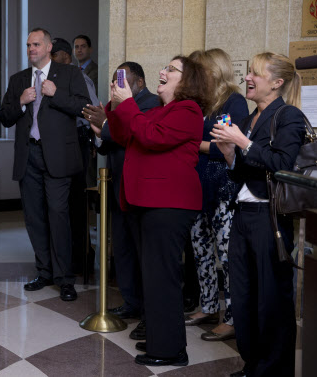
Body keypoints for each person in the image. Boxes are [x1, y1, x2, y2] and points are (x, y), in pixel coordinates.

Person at [105, 56, 212, 366]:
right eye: (164, 67)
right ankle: (163, 341)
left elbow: (151, 137)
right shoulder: (164, 110)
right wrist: (116, 105)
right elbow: (125, 135)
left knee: (162, 278)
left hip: (169, 204)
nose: (162, 72)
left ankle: (169, 351)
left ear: (188, 81)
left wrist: (127, 105)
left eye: (171, 69)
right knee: (153, 277)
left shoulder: (188, 110)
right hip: (148, 202)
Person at [210, 52, 305, 377]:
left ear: (277, 83)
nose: (248, 78)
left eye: (256, 74)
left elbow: (281, 165)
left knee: (271, 300)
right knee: (244, 295)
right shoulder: (251, 117)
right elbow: (242, 174)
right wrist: (230, 155)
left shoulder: (288, 115)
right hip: (244, 215)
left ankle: (273, 370)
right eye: (248, 72)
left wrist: (242, 143)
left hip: (270, 219)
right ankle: (252, 365)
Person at [0, 28, 91, 301]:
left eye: (36, 44)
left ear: (49, 47)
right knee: (34, 217)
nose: (31, 49)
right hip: (29, 156)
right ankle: (44, 271)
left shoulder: (70, 74)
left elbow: (84, 107)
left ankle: (65, 278)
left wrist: (55, 94)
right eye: (28, 45)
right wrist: (20, 101)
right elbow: (4, 117)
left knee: (58, 215)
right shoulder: (18, 80)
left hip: (58, 158)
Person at [84, 62, 159, 340]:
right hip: (117, 185)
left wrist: (105, 126)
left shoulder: (151, 104)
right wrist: (99, 131)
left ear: (138, 82)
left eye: (122, 81)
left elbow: (134, 136)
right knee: (123, 246)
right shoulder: (117, 107)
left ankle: (147, 309)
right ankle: (130, 301)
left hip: (139, 187)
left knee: (140, 248)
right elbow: (109, 142)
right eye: (115, 81)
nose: (116, 87)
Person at [184, 48, 249, 342]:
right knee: (201, 251)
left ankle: (233, 317)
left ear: (216, 71)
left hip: (223, 186)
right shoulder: (200, 102)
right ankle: (208, 306)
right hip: (197, 187)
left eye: (202, 71)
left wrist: (191, 143)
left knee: (227, 255)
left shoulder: (234, 102)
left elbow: (228, 145)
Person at [50, 37, 99, 274]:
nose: (50, 61)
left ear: (65, 57)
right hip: (58, 143)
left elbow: (91, 110)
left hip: (78, 140)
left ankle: (81, 259)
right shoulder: (53, 77)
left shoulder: (79, 77)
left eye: (54, 55)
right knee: (62, 205)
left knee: (77, 203)